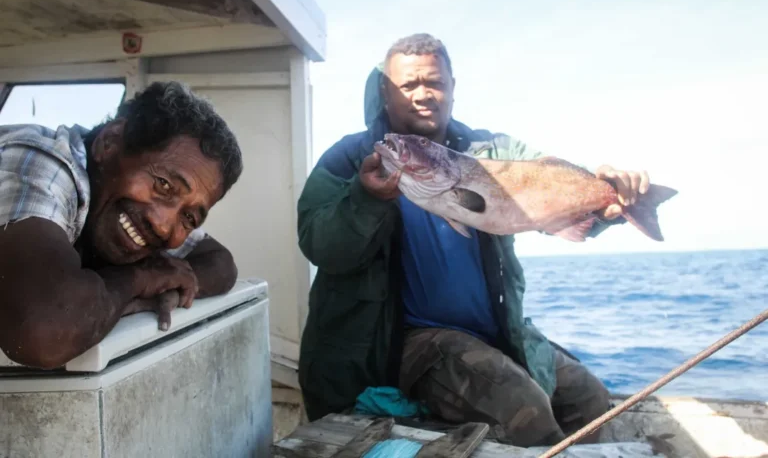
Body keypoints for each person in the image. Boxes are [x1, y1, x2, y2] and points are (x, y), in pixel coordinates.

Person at [296, 33, 652, 447]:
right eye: (408, 85)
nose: (423, 94)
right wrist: (365, 199)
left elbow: (550, 186)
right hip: (403, 341)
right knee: (522, 408)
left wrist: (605, 197)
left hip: (495, 330)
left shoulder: (493, 151)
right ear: (384, 92)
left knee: (590, 399)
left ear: (452, 88)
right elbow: (318, 244)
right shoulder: (349, 158)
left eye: (434, 82)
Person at [0, 81, 243, 369]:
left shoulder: (129, 209)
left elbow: (221, 263)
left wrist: (161, 285)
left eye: (189, 217)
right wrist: (141, 279)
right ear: (110, 142)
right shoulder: (38, 163)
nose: (164, 226)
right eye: (163, 185)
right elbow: (43, 331)